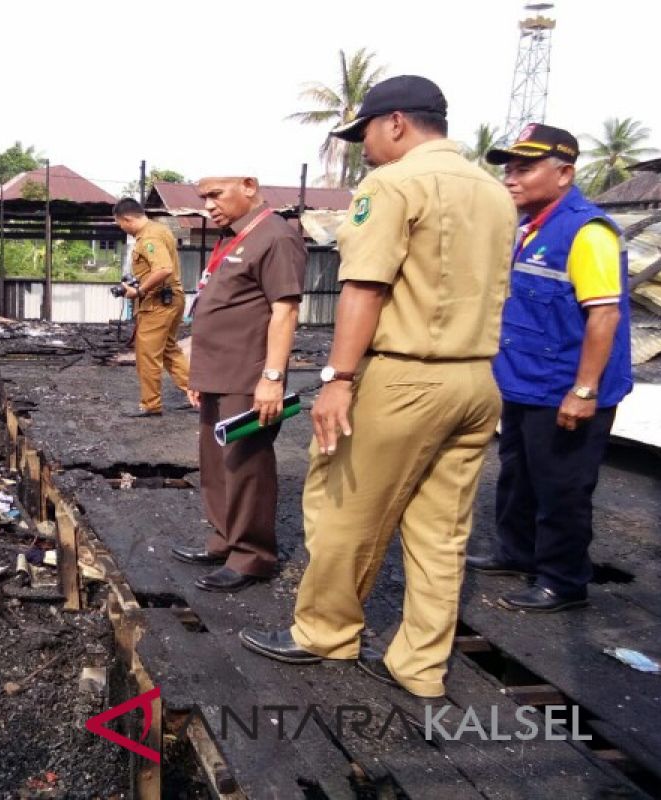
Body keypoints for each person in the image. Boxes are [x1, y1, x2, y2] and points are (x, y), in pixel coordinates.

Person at [238, 75, 517, 700]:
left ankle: (324, 633)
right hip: (476, 379)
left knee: (343, 509)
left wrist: (338, 379)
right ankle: (419, 666)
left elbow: (364, 287)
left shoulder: (393, 184)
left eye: (364, 130)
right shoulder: (496, 194)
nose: (363, 144)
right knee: (441, 533)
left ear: (395, 122)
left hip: (405, 376)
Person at [465, 124, 634, 612]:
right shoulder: (526, 225)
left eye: (525, 169)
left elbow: (603, 314)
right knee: (518, 473)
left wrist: (583, 391)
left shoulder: (588, 231)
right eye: (509, 169)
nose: (512, 179)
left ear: (564, 174)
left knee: (562, 485)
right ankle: (517, 552)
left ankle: (563, 581)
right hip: (522, 381)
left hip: (564, 385)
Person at [169, 175, 306, 592]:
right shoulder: (234, 236)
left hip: (249, 375)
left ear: (248, 185)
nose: (208, 205)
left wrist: (272, 377)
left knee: (246, 464)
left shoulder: (276, 237)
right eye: (203, 197)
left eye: (216, 195)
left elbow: (284, 312)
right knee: (215, 463)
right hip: (218, 374)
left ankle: (252, 556)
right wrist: (199, 374)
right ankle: (225, 539)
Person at [112, 198, 191, 417]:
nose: (122, 228)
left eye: (120, 224)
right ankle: (200, 396)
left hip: (158, 302)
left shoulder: (149, 236)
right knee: (169, 350)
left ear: (127, 219)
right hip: (171, 298)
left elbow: (163, 268)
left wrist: (139, 291)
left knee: (147, 354)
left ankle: (150, 404)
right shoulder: (160, 229)